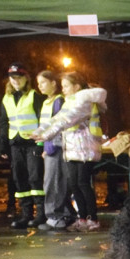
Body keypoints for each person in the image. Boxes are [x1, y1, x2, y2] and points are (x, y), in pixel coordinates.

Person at [33, 72, 107, 232]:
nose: (63, 89)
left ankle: (92, 219)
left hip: (85, 149)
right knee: (74, 184)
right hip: (72, 149)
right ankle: (81, 219)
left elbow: (67, 120)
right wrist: (39, 132)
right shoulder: (69, 102)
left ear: (77, 87)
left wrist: (44, 135)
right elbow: (56, 119)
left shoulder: (83, 102)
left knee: (83, 183)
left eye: (66, 86)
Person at [0, 62, 46, 229]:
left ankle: (41, 214)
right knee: (19, 179)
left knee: (35, 177)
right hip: (15, 143)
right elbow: (4, 122)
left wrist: (41, 143)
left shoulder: (34, 96)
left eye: (18, 77)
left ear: (26, 78)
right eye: (12, 78)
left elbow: (43, 121)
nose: (15, 81)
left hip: (32, 143)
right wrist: (3, 144)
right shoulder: (7, 97)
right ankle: (26, 215)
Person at [35, 70, 76, 230]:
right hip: (50, 149)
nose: (40, 86)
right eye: (38, 83)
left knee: (54, 184)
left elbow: (59, 126)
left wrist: (51, 147)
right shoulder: (47, 102)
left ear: (53, 83)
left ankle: (55, 217)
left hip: (57, 149)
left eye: (43, 82)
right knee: (55, 183)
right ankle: (65, 215)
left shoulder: (58, 102)